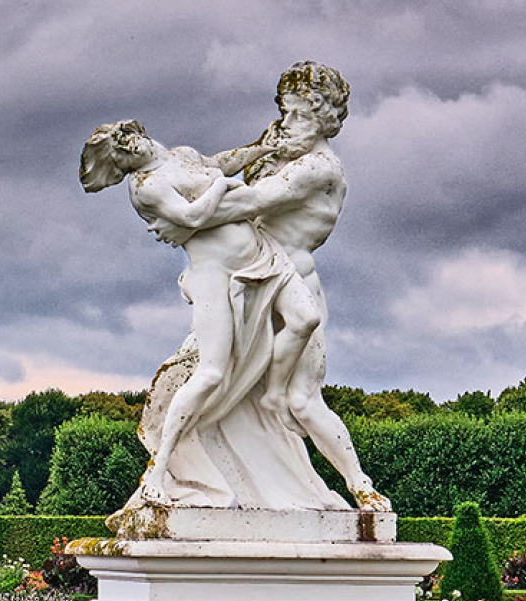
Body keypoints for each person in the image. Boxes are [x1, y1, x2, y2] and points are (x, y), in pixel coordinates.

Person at [150, 61, 391, 511]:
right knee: (205, 379)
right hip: (245, 280)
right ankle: (176, 476)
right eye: (287, 111)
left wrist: (177, 217)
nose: (288, 123)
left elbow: (249, 200)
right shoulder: (277, 148)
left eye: (300, 114)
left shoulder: (319, 167)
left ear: (324, 118)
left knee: (302, 397)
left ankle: (360, 484)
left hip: (294, 279)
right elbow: (216, 171)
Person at [80, 119, 323, 505]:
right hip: (214, 273)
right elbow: (193, 218)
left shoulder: (181, 155)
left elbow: (218, 162)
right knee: (210, 373)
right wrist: (225, 187)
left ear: (137, 134)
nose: (133, 152)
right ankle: (158, 471)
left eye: (130, 143)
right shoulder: (145, 187)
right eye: (123, 156)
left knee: (306, 318)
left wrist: (261, 149)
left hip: (262, 254)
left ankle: (274, 395)